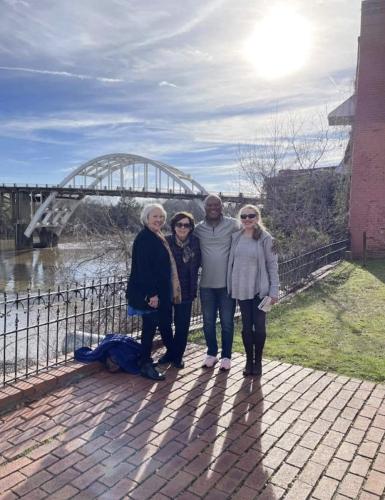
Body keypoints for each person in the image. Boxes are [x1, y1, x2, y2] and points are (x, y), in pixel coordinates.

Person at [126, 203, 181, 381]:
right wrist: (151, 295)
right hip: (150, 293)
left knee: (165, 323)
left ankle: (172, 354)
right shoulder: (144, 238)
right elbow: (144, 270)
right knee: (149, 328)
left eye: (161, 217)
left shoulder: (157, 236)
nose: (158, 220)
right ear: (146, 218)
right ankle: (145, 365)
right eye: (154, 216)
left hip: (162, 291)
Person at [227, 204, 279, 377]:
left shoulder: (266, 238)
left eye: (251, 216)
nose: (247, 219)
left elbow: (272, 266)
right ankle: (249, 361)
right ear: (240, 219)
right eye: (243, 216)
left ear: (257, 217)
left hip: (260, 291)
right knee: (246, 327)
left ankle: (258, 361)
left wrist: (274, 291)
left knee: (260, 327)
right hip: (241, 289)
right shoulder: (236, 237)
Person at [194, 194, 240, 371]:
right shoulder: (198, 229)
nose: (213, 208)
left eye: (217, 205)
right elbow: (182, 238)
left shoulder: (232, 224)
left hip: (227, 284)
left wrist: (269, 241)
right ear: (204, 207)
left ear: (222, 206)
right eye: (209, 205)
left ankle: (226, 356)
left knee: (227, 322)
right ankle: (211, 353)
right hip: (206, 285)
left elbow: (251, 232)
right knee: (208, 322)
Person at [157, 211, 201, 369]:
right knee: (164, 324)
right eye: (179, 224)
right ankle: (170, 352)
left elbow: (202, 262)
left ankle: (178, 356)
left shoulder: (196, 242)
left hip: (187, 290)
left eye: (186, 225)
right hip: (167, 290)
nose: (183, 228)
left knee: (182, 326)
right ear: (174, 226)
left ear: (191, 228)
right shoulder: (165, 241)